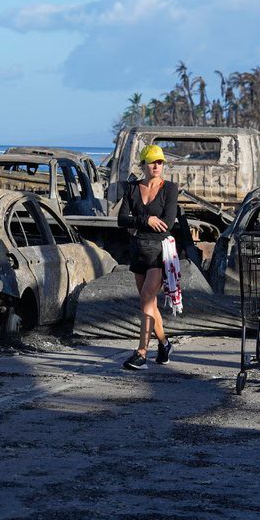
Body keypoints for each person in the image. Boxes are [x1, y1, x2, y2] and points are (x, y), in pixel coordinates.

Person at [118, 144, 178, 370]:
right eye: (152, 161)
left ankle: (141, 353)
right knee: (148, 303)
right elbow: (121, 219)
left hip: (159, 251)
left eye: (160, 162)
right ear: (143, 164)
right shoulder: (132, 188)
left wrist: (140, 221)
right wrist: (147, 220)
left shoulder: (169, 189)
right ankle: (164, 344)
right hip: (138, 250)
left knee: (146, 297)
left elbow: (168, 224)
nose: (156, 166)